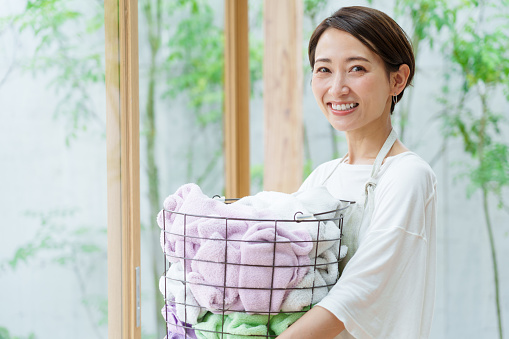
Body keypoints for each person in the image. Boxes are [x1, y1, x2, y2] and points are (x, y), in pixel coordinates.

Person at [277, 6, 437, 339]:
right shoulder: (323, 178)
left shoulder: (408, 176)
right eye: (324, 69)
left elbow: (357, 292)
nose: (337, 88)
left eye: (357, 69)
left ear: (398, 79)